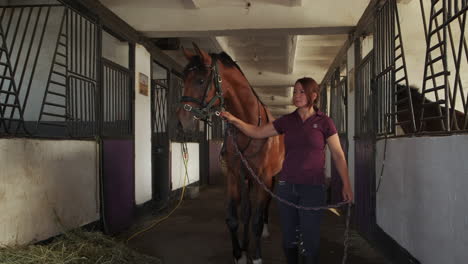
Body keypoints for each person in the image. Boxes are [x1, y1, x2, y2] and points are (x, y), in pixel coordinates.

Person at [220, 77, 353, 264]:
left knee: (309, 240)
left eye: (301, 92)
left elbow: (338, 155)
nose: (296, 96)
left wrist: (346, 183)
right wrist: (234, 120)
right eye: (295, 92)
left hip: (313, 189)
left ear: (313, 95)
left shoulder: (325, 122)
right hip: (287, 187)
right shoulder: (287, 121)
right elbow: (257, 132)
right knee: (289, 239)